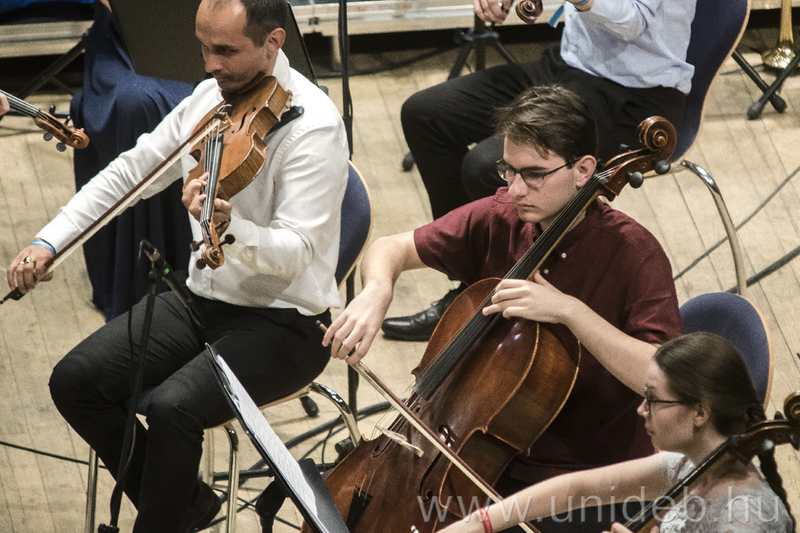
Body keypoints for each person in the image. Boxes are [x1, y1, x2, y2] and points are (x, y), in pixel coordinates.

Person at [6, 0, 349, 531]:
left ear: (273, 42)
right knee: (75, 381)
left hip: (286, 323)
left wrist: (230, 230)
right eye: (203, 47)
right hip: (202, 302)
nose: (209, 64)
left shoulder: (316, 127)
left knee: (173, 409)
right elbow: (132, 173)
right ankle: (184, 504)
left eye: (225, 51)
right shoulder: (211, 99)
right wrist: (51, 241)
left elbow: (297, 253)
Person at [325, 85, 682, 531]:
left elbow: (664, 377)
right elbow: (391, 248)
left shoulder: (634, 254)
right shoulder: (502, 216)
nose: (514, 189)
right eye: (508, 170)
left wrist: (570, 312)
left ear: (583, 170)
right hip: (483, 464)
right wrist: (377, 290)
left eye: (533, 174)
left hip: (587, 481)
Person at [385, 0, 697, 342]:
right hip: (567, 66)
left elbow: (632, 21)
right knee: (425, 114)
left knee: (485, 167)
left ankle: (510, 294)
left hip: (634, 93)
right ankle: (474, 286)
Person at [439, 332, 796, 533]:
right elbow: (578, 489)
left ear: (700, 413)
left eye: (653, 400)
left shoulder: (745, 520)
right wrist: (479, 524)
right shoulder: (688, 466)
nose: (642, 410)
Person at [70, 0, 194, 321]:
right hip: (125, 35)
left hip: (203, 30)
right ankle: (141, 282)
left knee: (206, 99)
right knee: (137, 104)